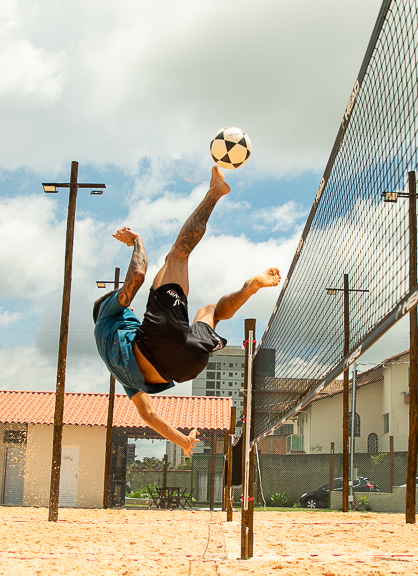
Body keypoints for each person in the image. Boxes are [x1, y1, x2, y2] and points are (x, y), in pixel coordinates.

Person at [93, 166, 281, 458]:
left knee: (209, 312)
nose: (127, 306)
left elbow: (148, 415)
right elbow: (137, 277)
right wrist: (137, 241)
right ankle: (215, 192)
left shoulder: (121, 373)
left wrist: (181, 440)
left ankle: (250, 287)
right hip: (159, 342)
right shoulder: (107, 315)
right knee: (178, 253)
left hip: (187, 367)